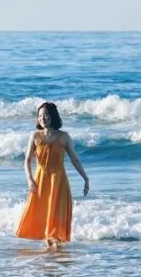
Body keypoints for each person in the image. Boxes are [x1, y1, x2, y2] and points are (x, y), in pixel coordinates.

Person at [16, 102, 89, 249]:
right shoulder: (35, 136)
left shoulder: (64, 137)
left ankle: (54, 250)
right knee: (42, 214)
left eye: (46, 115)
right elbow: (27, 161)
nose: (43, 118)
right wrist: (30, 179)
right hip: (40, 181)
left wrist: (85, 178)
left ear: (53, 117)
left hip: (59, 181)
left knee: (55, 214)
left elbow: (75, 159)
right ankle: (51, 254)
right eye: (40, 115)